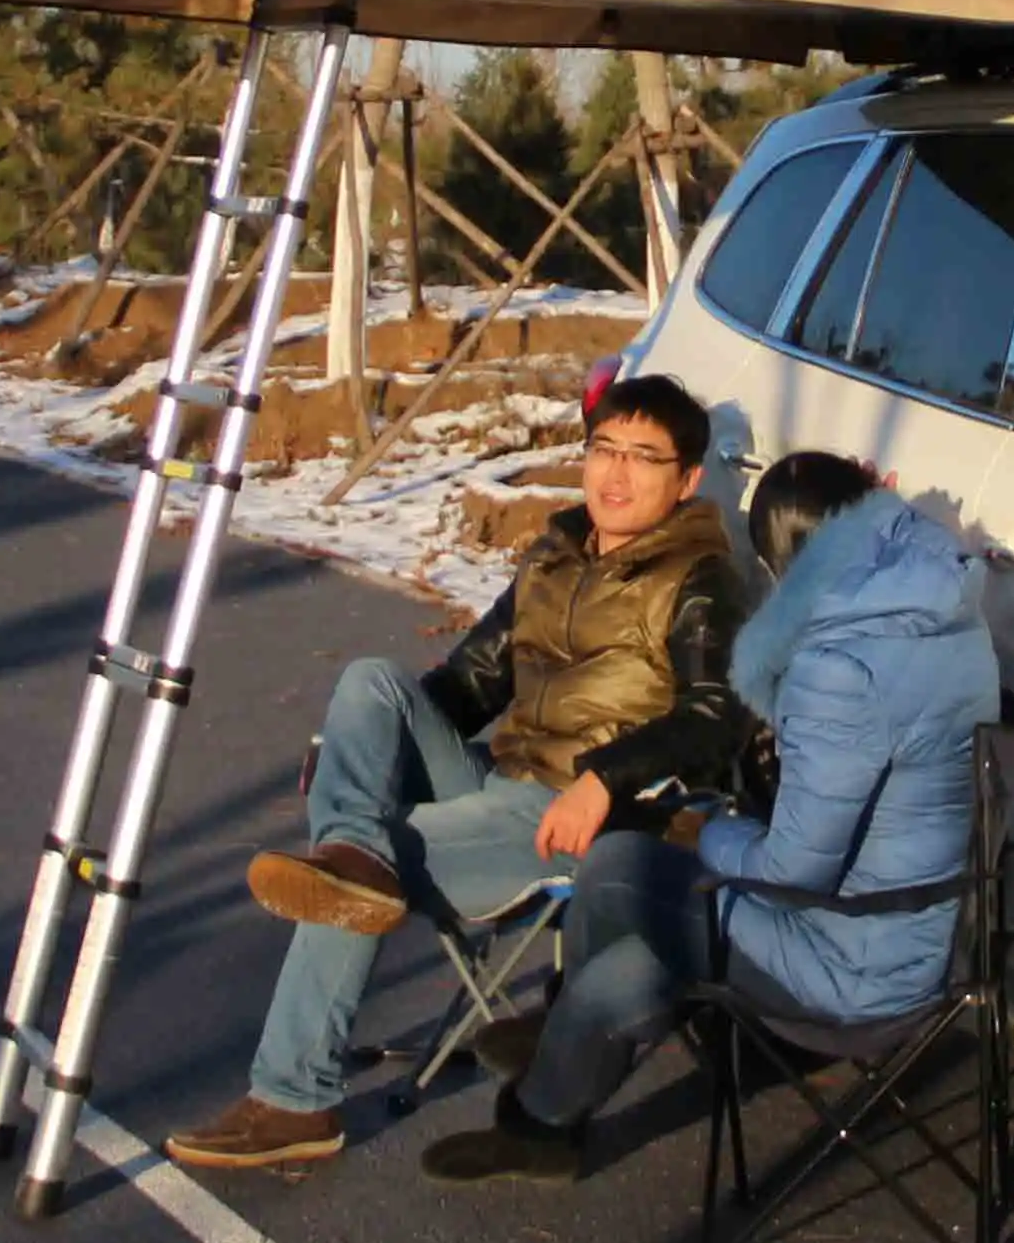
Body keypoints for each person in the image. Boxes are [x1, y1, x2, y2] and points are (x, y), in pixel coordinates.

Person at [164, 373, 744, 1173]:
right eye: (604, 449)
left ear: (686, 480)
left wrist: (605, 779)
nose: (615, 473)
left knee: (364, 871)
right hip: (500, 780)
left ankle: (294, 1099)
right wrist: (372, 750)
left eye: (643, 458)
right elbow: (472, 682)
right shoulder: (556, 555)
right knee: (372, 686)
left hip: (579, 820)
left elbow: (717, 717)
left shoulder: (701, 581)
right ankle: (352, 846)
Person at [422, 450, 997, 1186]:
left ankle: (542, 1124)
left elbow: (793, 869)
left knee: (631, 961)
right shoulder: (937, 607)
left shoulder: (842, 670)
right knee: (617, 862)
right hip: (909, 925)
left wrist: (710, 830)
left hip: (849, 965)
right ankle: (560, 1037)